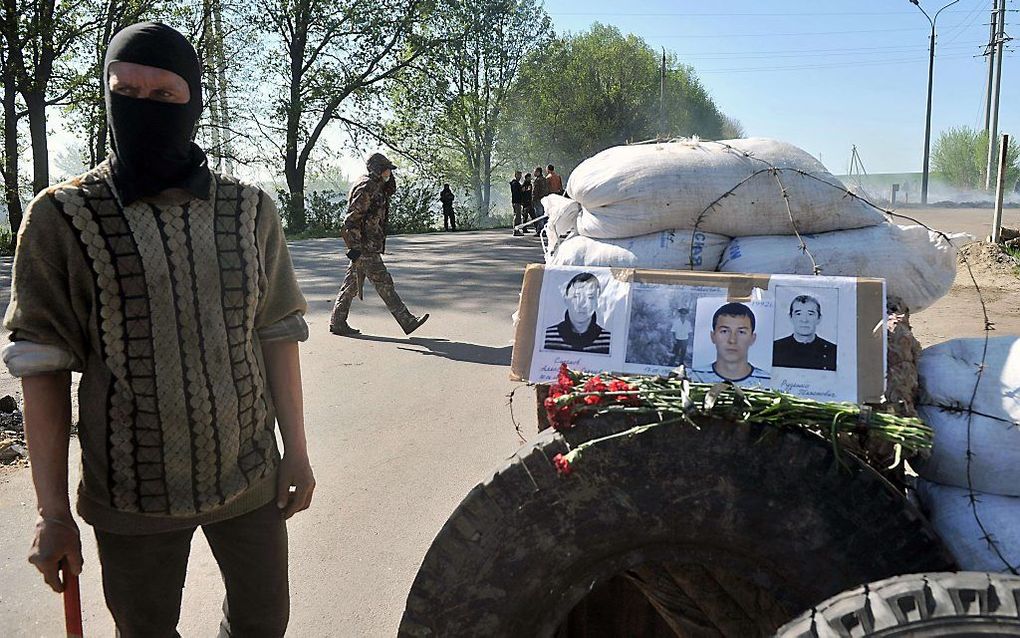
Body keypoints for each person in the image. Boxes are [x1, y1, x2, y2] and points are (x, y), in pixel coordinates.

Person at [2, 22, 313, 637]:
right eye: (127, 93)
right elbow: (40, 368)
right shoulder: (61, 218)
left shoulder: (250, 209)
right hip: (130, 496)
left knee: (263, 624)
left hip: (250, 477)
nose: (143, 109)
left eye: (163, 96)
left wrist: (296, 451)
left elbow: (277, 333)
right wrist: (52, 512)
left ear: (192, 101)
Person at [329, 152, 429, 337]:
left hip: (367, 245)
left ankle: (338, 322)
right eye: (385, 170)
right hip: (364, 246)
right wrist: (354, 248)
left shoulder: (375, 185)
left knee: (351, 285)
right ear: (377, 170)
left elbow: (390, 190)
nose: (388, 173)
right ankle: (407, 320)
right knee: (384, 282)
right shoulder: (367, 186)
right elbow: (351, 220)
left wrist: (386, 180)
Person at [691, 302, 770, 387]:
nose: (732, 340)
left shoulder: (768, 382)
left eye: (741, 332)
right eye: (724, 331)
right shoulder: (694, 378)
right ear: (713, 336)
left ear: (752, 338)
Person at [544, 272, 612, 354]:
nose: (582, 304)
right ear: (566, 299)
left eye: (590, 297)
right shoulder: (546, 337)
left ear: (598, 302)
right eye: (576, 296)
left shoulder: (609, 341)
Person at [773, 295, 837, 371]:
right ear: (790, 317)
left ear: (819, 318)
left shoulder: (833, 351)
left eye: (810, 314)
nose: (804, 320)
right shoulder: (775, 348)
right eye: (798, 314)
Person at [531, 165, 549, 233]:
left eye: (535, 172)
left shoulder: (538, 180)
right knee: (544, 215)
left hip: (538, 199)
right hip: (544, 199)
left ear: (538, 172)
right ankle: (544, 229)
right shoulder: (544, 179)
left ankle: (541, 230)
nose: (534, 173)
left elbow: (535, 191)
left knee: (539, 215)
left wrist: (533, 199)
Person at [510, 171, 524, 236]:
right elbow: (516, 193)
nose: (520, 177)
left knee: (518, 216)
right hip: (516, 202)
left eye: (520, 175)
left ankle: (516, 230)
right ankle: (516, 230)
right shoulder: (515, 183)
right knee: (517, 216)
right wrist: (521, 190)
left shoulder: (517, 183)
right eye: (518, 175)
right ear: (515, 175)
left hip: (517, 201)